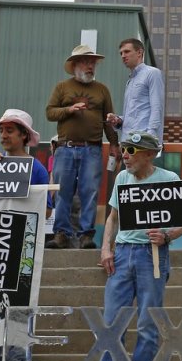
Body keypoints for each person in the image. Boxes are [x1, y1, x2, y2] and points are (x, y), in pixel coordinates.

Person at [99, 132, 182, 361]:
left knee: (148, 321)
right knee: (111, 320)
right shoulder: (121, 178)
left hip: (152, 255)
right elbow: (112, 216)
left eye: (132, 150)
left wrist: (167, 236)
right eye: (125, 150)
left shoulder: (168, 178)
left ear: (150, 154)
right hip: (122, 253)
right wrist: (106, 248)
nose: (125, 156)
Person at [45, 44, 118, 249]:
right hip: (65, 148)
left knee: (90, 192)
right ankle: (61, 234)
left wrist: (114, 144)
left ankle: (86, 235)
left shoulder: (102, 89)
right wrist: (69, 109)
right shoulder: (62, 87)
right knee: (63, 192)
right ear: (75, 64)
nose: (90, 66)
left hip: (92, 148)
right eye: (86, 62)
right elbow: (49, 113)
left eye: (93, 63)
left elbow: (108, 120)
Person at [0, 109, 53, 216]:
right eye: (1, 130)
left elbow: (47, 212)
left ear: (24, 134)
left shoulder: (37, 169)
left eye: (9, 130)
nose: (3, 135)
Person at [109, 38, 165, 144]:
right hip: (128, 141)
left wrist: (150, 137)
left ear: (139, 52)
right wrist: (118, 120)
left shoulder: (153, 73)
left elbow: (157, 107)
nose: (123, 56)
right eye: (121, 53)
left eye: (127, 51)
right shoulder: (130, 81)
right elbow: (134, 114)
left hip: (143, 141)